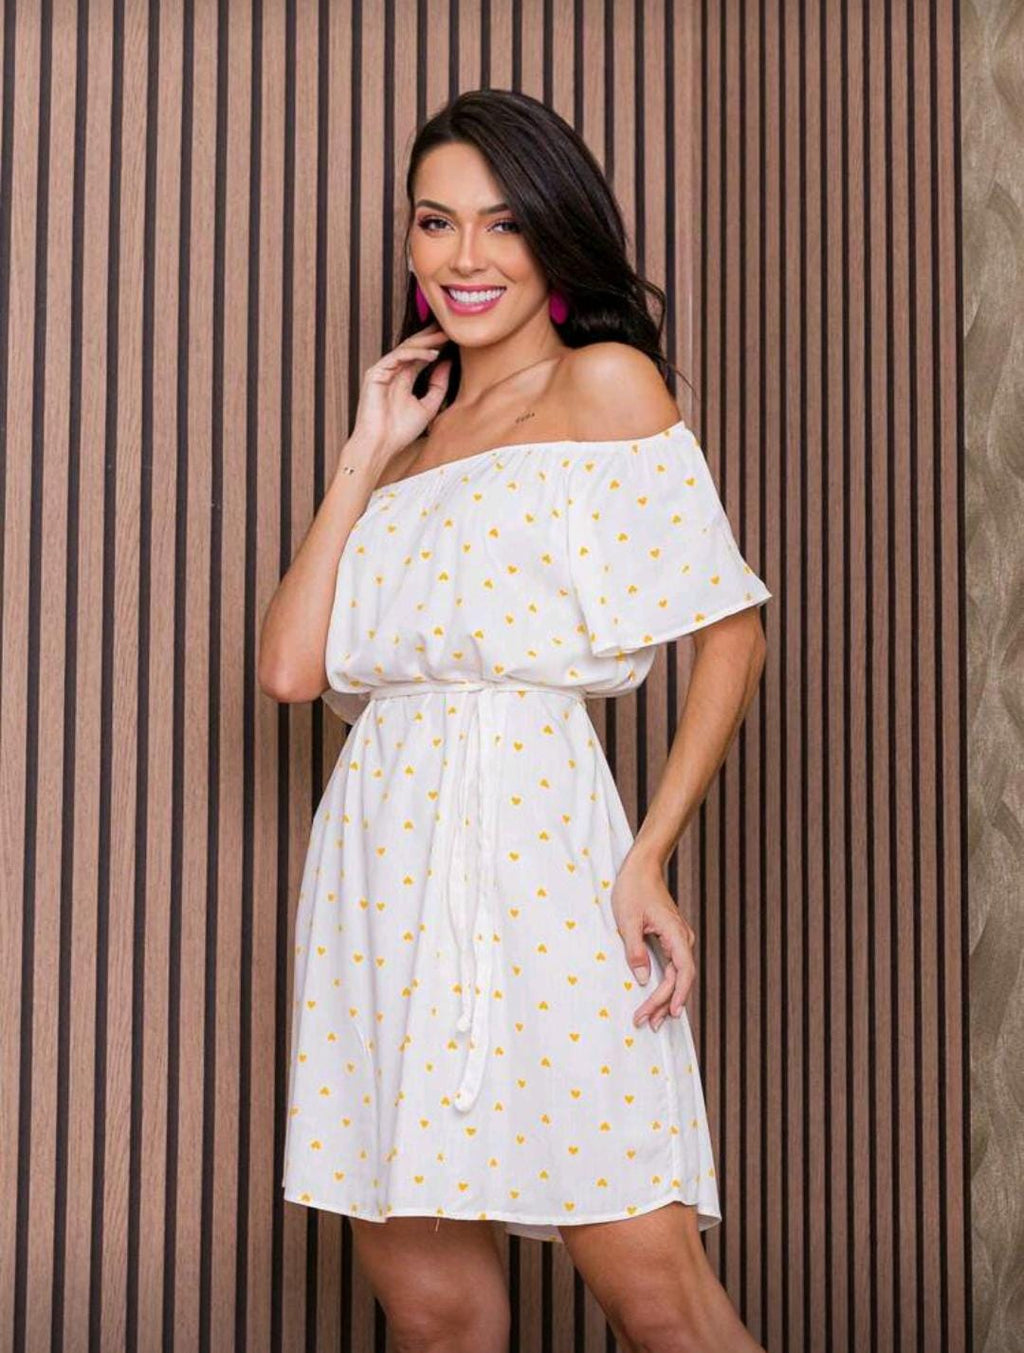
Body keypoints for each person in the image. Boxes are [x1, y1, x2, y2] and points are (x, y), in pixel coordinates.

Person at [259, 88, 770, 1353]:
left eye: (502, 223)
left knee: (654, 1291)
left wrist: (647, 857)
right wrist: (365, 445)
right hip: (378, 875)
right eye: (436, 222)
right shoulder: (409, 440)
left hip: (541, 851)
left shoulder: (604, 384)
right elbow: (289, 670)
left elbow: (732, 634)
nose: (465, 256)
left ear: (553, 236)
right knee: (433, 1308)